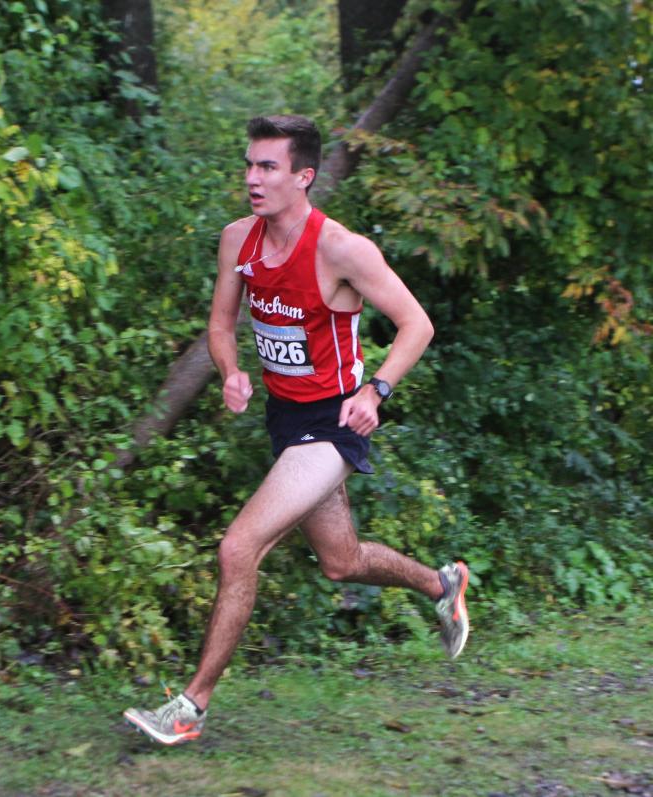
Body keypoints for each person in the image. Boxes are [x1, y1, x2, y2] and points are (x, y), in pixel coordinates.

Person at [123, 115, 469, 746]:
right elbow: (222, 325)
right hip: (285, 418)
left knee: (238, 548)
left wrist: (377, 390)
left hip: (335, 420)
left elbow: (417, 325)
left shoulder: (342, 248)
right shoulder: (238, 241)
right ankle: (441, 583)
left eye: (268, 167)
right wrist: (230, 371)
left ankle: (189, 709)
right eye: (249, 164)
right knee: (340, 563)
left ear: (303, 177)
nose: (252, 178)